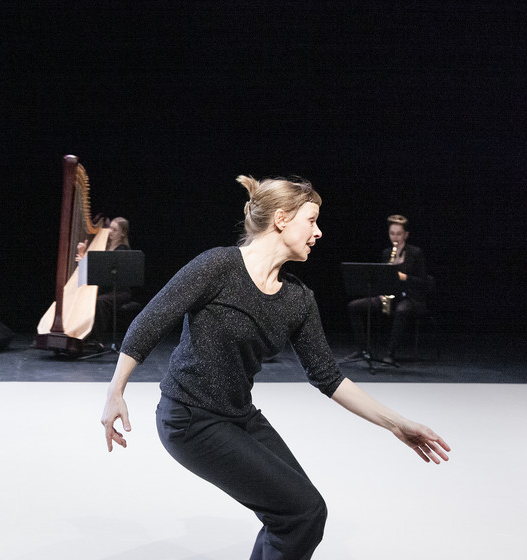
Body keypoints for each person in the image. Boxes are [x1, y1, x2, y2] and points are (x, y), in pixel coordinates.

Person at [101, 177, 450, 560]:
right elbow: (150, 322)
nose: (319, 232)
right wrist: (115, 392)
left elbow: (329, 377)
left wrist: (397, 424)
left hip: (239, 415)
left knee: (297, 513)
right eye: (311, 220)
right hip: (190, 419)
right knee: (303, 512)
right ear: (282, 219)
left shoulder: (298, 298)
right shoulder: (218, 265)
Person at [347, 214, 428, 363]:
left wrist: (405, 277)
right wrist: (381, 293)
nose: (395, 237)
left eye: (399, 234)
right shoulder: (386, 253)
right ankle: (362, 349)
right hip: (390, 296)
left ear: (406, 235)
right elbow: (381, 280)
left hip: (411, 297)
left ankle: (390, 353)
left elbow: (423, 281)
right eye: (392, 233)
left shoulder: (415, 253)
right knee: (354, 306)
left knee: (401, 310)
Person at [77, 217, 136, 345]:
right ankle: (81, 335)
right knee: (87, 299)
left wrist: (85, 260)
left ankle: (97, 340)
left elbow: (102, 274)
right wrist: (83, 255)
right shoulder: (106, 247)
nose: (110, 232)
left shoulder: (122, 251)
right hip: (107, 290)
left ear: (122, 233)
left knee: (100, 301)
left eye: (115, 230)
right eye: (110, 228)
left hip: (120, 292)